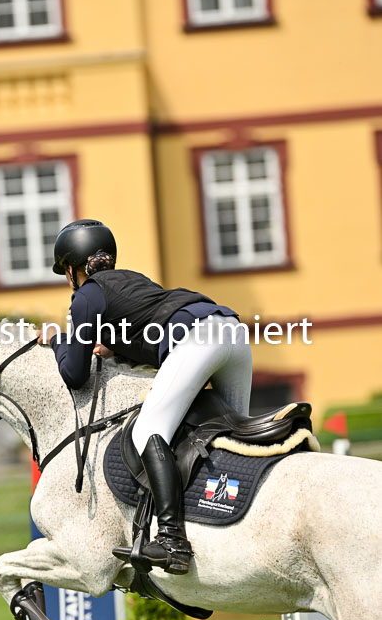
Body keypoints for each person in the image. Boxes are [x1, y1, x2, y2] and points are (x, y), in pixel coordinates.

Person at [39, 218, 252, 576]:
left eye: (65, 272)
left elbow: (75, 374)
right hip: (231, 331)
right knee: (234, 437)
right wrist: (116, 348)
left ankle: (172, 539)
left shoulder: (86, 295)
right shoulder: (132, 279)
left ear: (74, 268)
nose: (66, 279)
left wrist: (58, 340)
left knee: (147, 432)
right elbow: (149, 330)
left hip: (198, 340)